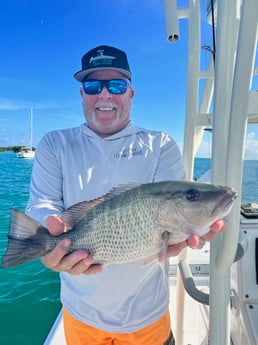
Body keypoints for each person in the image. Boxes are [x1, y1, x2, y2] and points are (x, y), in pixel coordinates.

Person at [26, 45, 224, 345]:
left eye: (116, 85)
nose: (104, 94)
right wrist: (47, 237)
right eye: (93, 85)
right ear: (82, 95)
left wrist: (188, 231)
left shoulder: (160, 145)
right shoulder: (55, 144)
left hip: (147, 316)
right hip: (80, 314)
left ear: (130, 94)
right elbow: (42, 204)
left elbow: (176, 211)